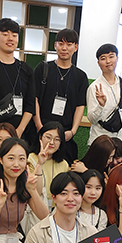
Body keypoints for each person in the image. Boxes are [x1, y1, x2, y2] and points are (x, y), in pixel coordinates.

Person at [0, 18, 36, 146]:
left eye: (14, 35)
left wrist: (19, 131)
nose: (10, 39)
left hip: (20, 134)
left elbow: (30, 105)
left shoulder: (26, 70)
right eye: (5, 34)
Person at [33, 29, 88, 164]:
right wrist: (39, 126)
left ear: (76, 47)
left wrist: (73, 131)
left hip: (65, 135)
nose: (64, 48)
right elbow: (34, 99)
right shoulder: (43, 68)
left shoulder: (80, 76)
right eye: (61, 44)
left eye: (69, 44)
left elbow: (80, 106)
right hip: (41, 131)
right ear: (55, 45)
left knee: (62, 169)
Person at [86, 44, 122, 153]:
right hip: (99, 142)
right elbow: (92, 119)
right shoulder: (94, 87)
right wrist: (101, 106)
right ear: (98, 63)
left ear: (117, 58)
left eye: (111, 56)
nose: (108, 61)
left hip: (120, 140)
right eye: (103, 58)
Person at [21, 121, 69, 233]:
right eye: (48, 137)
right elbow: (35, 191)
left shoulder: (63, 164)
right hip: (35, 210)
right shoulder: (30, 159)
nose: (52, 142)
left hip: (57, 211)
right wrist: (40, 164)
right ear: (40, 137)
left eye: (57, 139)